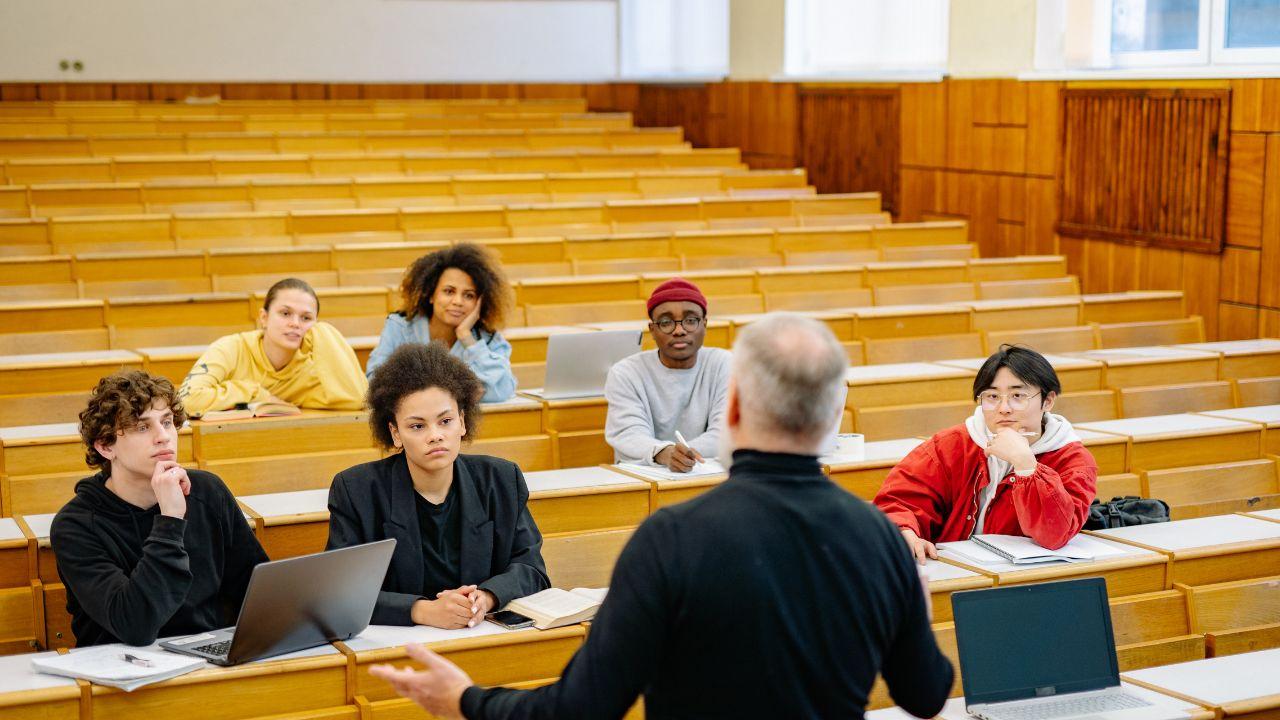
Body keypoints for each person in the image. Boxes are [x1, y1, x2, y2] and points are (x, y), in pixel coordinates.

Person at [369, 313, 954, 720]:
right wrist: (911, 608)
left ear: (732, 408)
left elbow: (582, 709)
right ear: (833, 416)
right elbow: (927, 696)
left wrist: (467, 701)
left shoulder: (673, 538)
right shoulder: (878, 536)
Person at [326, 342, 548, 628]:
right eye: (418, 426)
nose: (435, 436)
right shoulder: (356, 490)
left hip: (479, 634)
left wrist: (487, 597)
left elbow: (532, 568)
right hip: (398, 647)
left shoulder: (501, 479)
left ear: (463, 422)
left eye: (445, 421)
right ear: (395, 433)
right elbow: (340, 592)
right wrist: (421, 611)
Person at [50, 370, 268, 647]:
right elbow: (136, 625)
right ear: (106, 446)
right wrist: (170, 520)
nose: (163, 436)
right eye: (143, 427)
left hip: (206, 659)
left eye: (167, 422)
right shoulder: (75, 526)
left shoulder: (207, 492)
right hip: (122, 672)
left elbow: (256, 589)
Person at [875, 344, 1098, 562]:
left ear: (1047, 401)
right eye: (992, 397)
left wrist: (1026, 466)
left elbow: (1055, 534)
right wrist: (903, 529)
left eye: (1018, 396)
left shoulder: (1074, 460)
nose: (1004, 408)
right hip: (955, 570)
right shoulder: (952, 445)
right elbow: (899, 500)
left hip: (1026, 580)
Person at [179, 278, 367, 417]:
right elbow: (187, 401)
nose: (295, 323)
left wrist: (323, 332)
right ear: (264, 318)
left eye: (306, 318)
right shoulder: (230, 348)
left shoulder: (312, 370)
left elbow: (357, 400)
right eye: (285, 313)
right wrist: (256, 393)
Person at [604, 277, 731, 472]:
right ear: (652, 330)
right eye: (666, 322)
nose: (679, 330)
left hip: (708, 474)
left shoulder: (726, 364)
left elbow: (726, 432)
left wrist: (684, 455)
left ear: (704, 325)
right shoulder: (626, 373)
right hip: (645, 477)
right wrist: (665, 453)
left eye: (690, 320)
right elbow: (628, 433)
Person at [365, 243, 516, 403]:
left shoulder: (488, 339)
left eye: (469, 295)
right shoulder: (400, 327)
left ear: (480, 303)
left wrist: (466, 337)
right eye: (449, 291)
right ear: (431, 295)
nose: (458, 301)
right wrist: (462, 390)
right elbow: (375, 381)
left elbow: (503, 390)